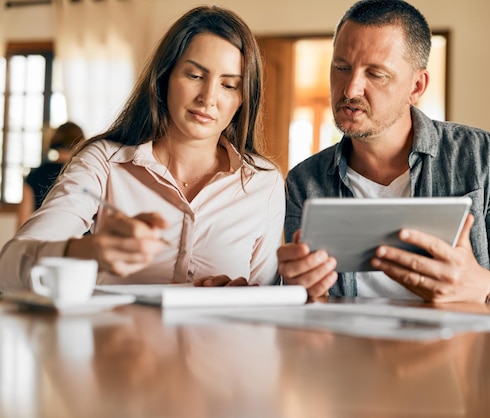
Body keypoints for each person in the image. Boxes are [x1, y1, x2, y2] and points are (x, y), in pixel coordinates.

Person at [277, 0, 490, 305]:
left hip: (460, 348)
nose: (350, 89)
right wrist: (297, 289)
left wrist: (486, 288)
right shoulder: (304, 181)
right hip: (347, 349)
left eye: (376, 74)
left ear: (417, 86)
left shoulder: (485, 158)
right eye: (342, 68)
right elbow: (306, 303)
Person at [0, 6, 284, 292]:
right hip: (116, 336)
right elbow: (8, 268)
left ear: (243, 98)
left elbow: (269, 302)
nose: (208, 98)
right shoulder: (103, 162)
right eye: (195, 76)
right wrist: (88, 251)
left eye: (228, 85)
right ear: (165, 78)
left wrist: (240, 296)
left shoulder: (264, 182)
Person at [17, 122, 85, 227]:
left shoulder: (35, 174)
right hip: (79, 240)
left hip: (41, 238)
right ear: (80, 142)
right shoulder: (85, 174)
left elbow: (23, 221)